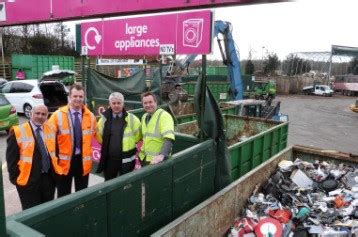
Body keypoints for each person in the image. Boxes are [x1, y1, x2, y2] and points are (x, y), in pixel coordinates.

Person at [6, 105, 65, 210]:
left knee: (47, 210)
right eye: (37, 113)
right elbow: (11, 160)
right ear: (31, 114)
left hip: (48, 179)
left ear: (47, 116)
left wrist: (56, 175)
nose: (40, 116)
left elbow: (55, 152)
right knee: (31, 213)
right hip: (28, 181)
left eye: (43, 114)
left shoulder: (51, 129)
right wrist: (16, 180)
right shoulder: (18, 132)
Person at [48, 84, 96, 197]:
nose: (78, 99)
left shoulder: (91, 116)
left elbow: (96, 135)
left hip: (83, 162)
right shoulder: (57, 116)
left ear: (84, 97)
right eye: (75, 96)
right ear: (69, 96)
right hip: (64, 163)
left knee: (82, 194)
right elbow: (48, 140)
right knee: (64, 195)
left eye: (80, 96)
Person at [95, 92, 142, 180]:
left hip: (127, 160)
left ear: (123, 104)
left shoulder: (133, 119)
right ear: (110, 104)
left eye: (119, 103)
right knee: (109, 184)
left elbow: (138, 136)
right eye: (114, 103)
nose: (116, 105)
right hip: (109, 160)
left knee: (126, 185)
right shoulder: (103, 120)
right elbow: (99, 137)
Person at [139, 92, 175, 165]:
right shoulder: (144, 117)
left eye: (150, 102)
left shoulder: (164, 116)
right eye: (145, 103)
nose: (148, 105)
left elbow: (169, 139)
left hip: (158, 162)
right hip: (144, 158)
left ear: (156, 102)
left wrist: (162, 155)